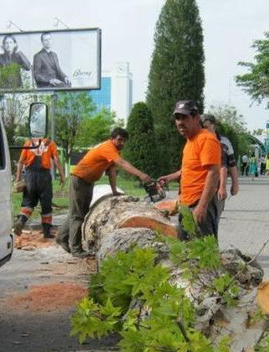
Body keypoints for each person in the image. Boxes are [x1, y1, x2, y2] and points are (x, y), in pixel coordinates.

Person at [56, 128, 152, 257]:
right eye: (119, 140)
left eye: (124, 141)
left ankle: (61, 237)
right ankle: (76, 249)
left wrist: (114, 191)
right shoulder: (108, 147)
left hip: (88, 182)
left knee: (79, 213)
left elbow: (112, 171)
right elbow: (122, 163)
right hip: (79, 179)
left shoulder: (113, 151)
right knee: (77, 216)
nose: (122, 143)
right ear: (112, 139)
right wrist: (140, 174)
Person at [157, 100, 221, 241]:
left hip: (199, 204)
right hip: (186, 205)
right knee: (185, 252)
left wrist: (202, 206)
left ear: (196, 118)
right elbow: (187, 169)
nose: (180, 122)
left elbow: (214, 173)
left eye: (184, 117)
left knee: (204, 254)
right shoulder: (190, 140)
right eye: (177, 118)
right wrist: (169, 177)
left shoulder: (206, 140)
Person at [13, 138, 66, 238]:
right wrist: (62, 176)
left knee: (28, 203)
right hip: (44, 177)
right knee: (46, 204)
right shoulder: (50, 143)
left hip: (29, 177)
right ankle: (46, 232)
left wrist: (18, 178)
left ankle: (21, 221)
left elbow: (20, 162)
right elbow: (57, 160)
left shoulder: (29, 143)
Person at [201, 114, 239, 215]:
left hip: (216, 186)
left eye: (206, 126)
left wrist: (235, 184)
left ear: (214, 126)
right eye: (202, 127)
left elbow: (231, 164)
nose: (203, 129)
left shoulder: (223, 142)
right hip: (199, 184)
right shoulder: (198, 140)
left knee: (212, 216)